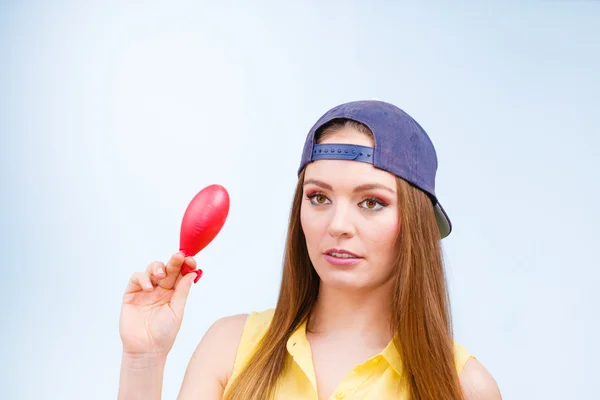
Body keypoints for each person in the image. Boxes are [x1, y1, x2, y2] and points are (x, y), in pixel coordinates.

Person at [118, 100, 502, 400]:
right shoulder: (230, 348)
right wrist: (144, 358)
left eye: (371, 202)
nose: (337, 225)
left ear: (416, 225)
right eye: (318, 197)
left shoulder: (465, 387)